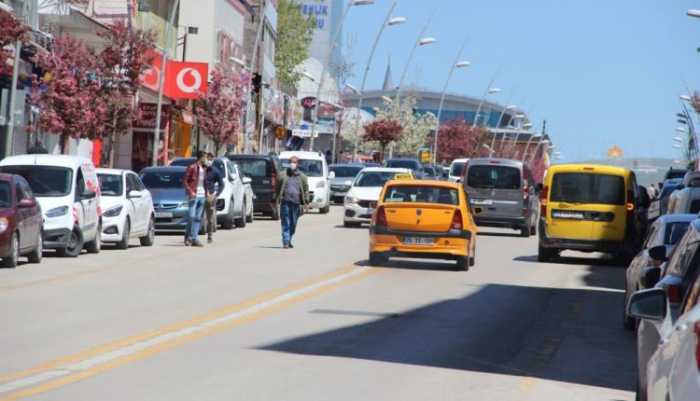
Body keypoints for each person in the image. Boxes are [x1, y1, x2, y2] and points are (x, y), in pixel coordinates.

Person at [271, 156, 309, 249]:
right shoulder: (282, 175)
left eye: (294, 162)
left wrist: (306, 202)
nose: (293, 164)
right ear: (289, 163)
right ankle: (286, 241)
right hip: (285, 202)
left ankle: (289, 239)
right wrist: (273, 200)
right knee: (286, 222)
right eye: (291, 162)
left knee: (293, 224)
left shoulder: (302, 177)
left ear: (297, 164)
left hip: (296, 204)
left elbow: (305, 190)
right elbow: (276, 189)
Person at [183, 151, 208, 247]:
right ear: (201, 158)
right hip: (194, 195)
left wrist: (207, 192)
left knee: (198, 218)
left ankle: (194, 238)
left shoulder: (205, 168)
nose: (206, 159)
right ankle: (188, 235)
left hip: (202, 196)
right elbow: (185, 181)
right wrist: (190, 192)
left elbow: (205, 182)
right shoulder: (192, 167)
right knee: (191, 216)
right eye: (205, 157)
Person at [204, 152, 225, 244]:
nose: (208, 161)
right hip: (200, 195)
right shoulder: (201, 169)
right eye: (207, 159)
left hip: (210, 196)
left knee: (210, 218)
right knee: (195, 216)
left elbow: (221, 184)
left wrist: (216, 195)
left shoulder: (215, 171)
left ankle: (210, 235)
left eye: (210, 159)